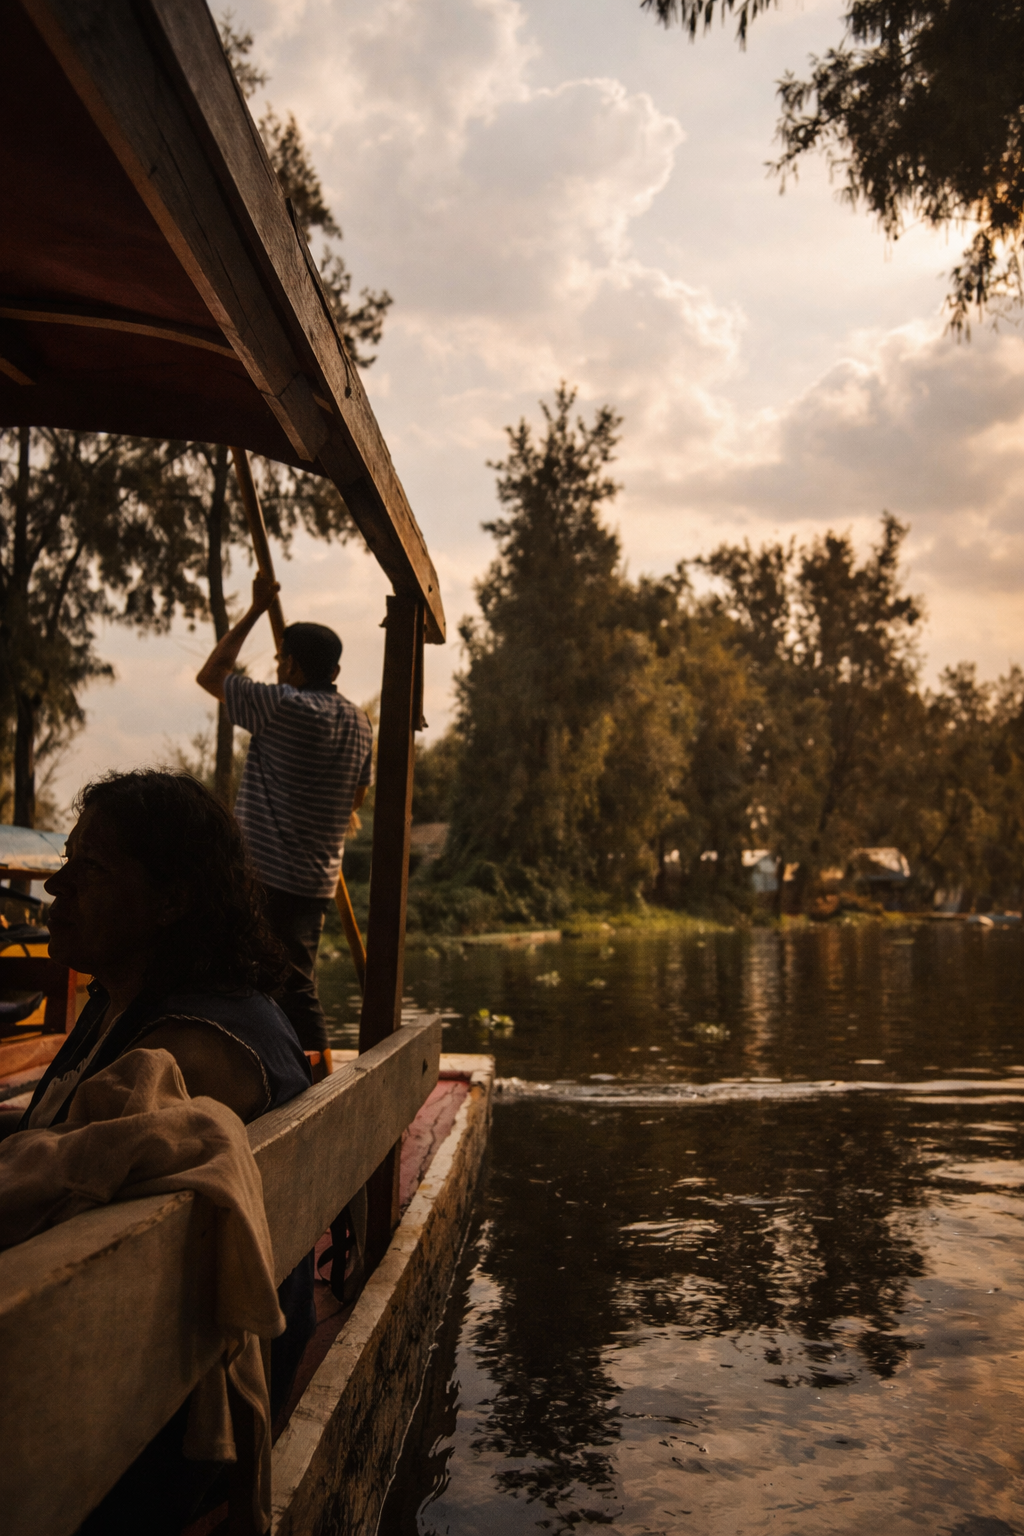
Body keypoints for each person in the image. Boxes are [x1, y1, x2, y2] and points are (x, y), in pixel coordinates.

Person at [19, 769, 315, 1531]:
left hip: (146, 1432)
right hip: (148, 1389)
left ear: (173, 900)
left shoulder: (189, 1050)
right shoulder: (150, 999)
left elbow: (44, 1191)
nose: (57, 887)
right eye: (67, 862)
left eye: (90, 869)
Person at [197, 573, 373, 1055]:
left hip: (264, 876)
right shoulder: (360, 723)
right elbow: (356, 800)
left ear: (293, 666)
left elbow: (211, 675)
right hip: (314, 880)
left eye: (280, 662)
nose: (277, 670)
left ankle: (312, 1089)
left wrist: (255, 610)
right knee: (287, 984)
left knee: (264, 985)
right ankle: (286, 1078)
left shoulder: (284, 706)